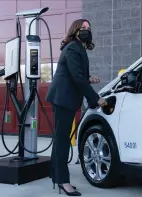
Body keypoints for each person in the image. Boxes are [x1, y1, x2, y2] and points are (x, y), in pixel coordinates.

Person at [45, 19, 107, 196]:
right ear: (75, 30)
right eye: (83, 28)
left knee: (60, 139)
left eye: (89, 28)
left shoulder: (78, 47)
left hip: (65, 98)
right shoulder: (73, 47)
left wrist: (89, 78)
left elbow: (78, 75)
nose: (87, 30)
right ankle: (63, 181)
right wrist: (96, 99)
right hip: (63, 98)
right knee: (63, 140)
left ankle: (55, 174)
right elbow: (77, 78)